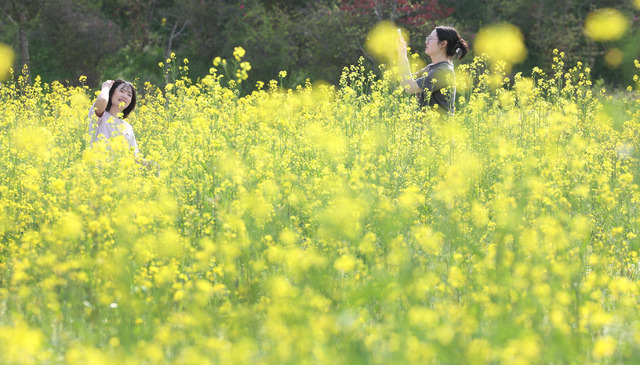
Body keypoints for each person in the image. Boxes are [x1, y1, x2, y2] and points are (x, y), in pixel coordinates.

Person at [397, 26, 468, 115]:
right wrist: (400, 54)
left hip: (440, 127)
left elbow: (410, 87)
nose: (426, 42)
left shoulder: (443, 71)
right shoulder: (431, 68)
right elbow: (405, 81)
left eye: (430, 39)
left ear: (443, 44)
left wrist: (403, 55)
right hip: (429, 127)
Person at [89, 79, 139, 155]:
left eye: (129, 95)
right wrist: (106, 87)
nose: (125, 96)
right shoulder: (100, 116)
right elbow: (102, 100)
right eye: (121, 91)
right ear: (111, 93)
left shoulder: (128, 127)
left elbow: (134, 157)